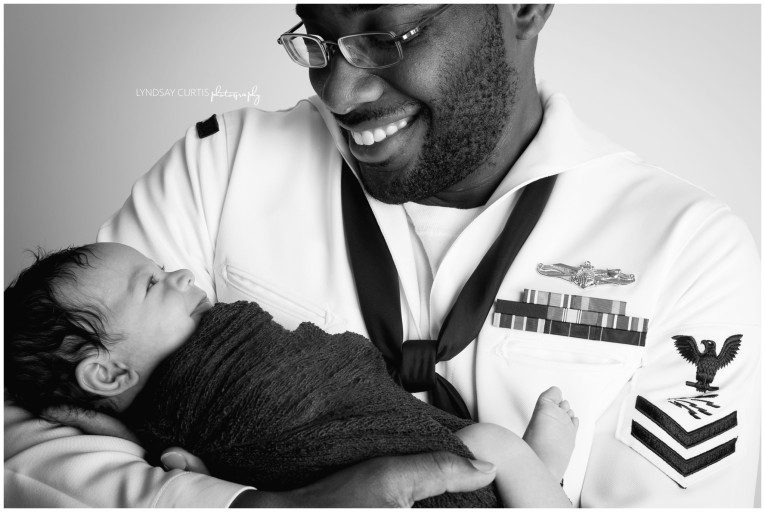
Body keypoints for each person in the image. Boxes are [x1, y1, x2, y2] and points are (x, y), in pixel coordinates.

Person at [5, 4, 760, 507]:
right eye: (316, 37)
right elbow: (25, 428)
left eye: (382, 35)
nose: (336, 91)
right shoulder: (223, 163)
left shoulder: (688, 247)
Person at [5, 242, 577, 507]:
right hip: (425, 473)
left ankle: (531, 479)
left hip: (392, 449)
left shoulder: (153, 418)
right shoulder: (213, 376)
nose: (180, 271)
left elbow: (334, 376)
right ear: (105, 373)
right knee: (483, 443)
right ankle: (534, 479)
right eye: (152, 283)